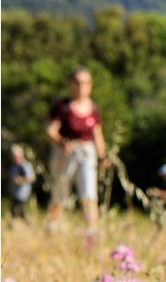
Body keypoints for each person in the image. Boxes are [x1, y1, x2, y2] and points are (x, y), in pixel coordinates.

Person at [46, 67, 109, 242]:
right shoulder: (63, 106)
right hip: (65, 152)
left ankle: (92, 231)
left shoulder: (94, 108)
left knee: (89, 192)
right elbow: (51, 131)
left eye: (85, 83)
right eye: (77, 82)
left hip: (87, 152)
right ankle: (51, 228)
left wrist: (102, 156)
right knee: (60, 190)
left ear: (90, 85)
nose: (81, 86)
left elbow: (97, 135)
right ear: (71, 84)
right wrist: (62, 142)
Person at [7, 144, 36, 222]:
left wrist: (21, 180)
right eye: (13, 156)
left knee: (20, 210)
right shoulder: (13, 165)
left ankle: (28, 224)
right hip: (14, 192)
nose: (14, 158)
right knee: (13, 209)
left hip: (22, 193)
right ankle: (12, 224)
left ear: (21, 155)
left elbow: (32, 178)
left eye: (16, 156)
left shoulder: (25, 165)